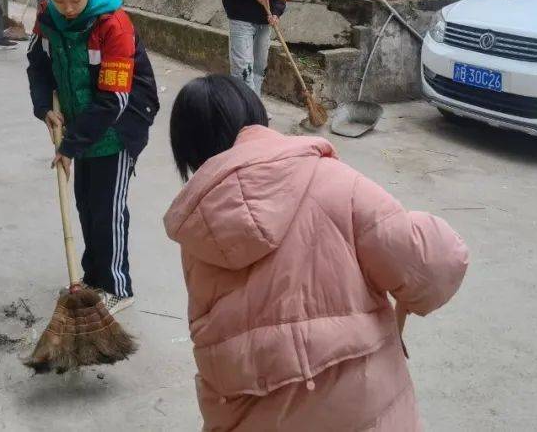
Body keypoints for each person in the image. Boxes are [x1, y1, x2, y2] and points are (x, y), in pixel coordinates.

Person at [164, 75, 469, 430]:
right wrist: (418, 230)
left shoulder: (199, 230)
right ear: (258, 119)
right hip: (360, 413)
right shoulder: (337, 182)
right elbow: (436, 265)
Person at [27, 0, 160, 315]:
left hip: (119, 124)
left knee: (108, 207)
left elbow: (114, 98)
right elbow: (37, 65)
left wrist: (70, 145)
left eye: (76, 1)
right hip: (79, 121)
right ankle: (93, 277)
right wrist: (44, 108)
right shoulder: (47, 17)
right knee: (86, 202)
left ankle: (117, 286)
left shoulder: (113, 24)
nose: (67, 9)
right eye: (59, 0)